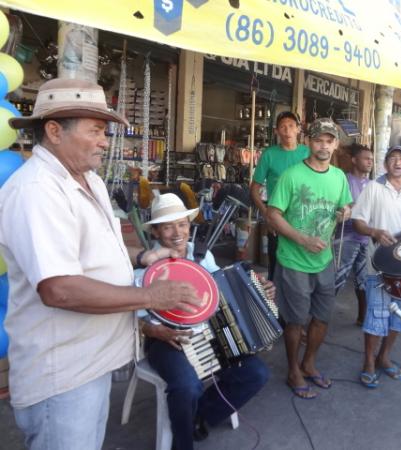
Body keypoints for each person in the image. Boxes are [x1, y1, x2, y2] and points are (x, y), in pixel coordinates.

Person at [0, 79, 202, 450]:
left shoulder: (86, 179)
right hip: (62, 376)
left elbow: (97, 251)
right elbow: (58, 289)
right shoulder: (37, 191)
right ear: (54, 131)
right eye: (95, 131)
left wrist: (144, 257)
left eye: (105, 132)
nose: (105, 141)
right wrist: (150, 296)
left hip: (90, 366)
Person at [135, 193, 271, 450]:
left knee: (256, 373)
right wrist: (156, 331)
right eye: (168, 226)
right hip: (164, 339)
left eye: (183, 223)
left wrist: (258, 289)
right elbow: (133, 320)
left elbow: (221, 292)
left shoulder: (201, 255)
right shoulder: (144, 267)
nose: (178, 232)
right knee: (187, 386)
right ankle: (182, 442)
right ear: (155, 232)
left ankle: (200, 418)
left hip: (209, 333)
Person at [267, 118, 352, 399]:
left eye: (329, 141)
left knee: (323, 318)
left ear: (336, 145)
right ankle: (293, 370)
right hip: (293, 260)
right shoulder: (292, 175)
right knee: (295, 321)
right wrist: (302, 239)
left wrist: (346, 212)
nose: (323, 146)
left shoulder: (339, 177)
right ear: (308, 143)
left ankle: (309, 363)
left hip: (324, 260)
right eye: (318, 140)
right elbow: (273, 214)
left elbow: (345, 204)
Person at [352, 145, 401, 389]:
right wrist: (374, 231)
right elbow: (358, 221)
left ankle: (384, 357)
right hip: (379, 266)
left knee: (400, 317)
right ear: (386, 165)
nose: (397, 162)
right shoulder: (374, 188)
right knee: (376, 316)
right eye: (392, 158)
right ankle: (368, 362)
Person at [250, 111, 309, 280]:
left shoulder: (308, 153)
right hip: (278, 218)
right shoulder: (269, 154)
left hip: (304, 218)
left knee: (302, 269)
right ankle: (274, 305)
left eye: (291, 126)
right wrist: (267, 215)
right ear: (276, 131)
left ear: (298, 129)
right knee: (276, 270)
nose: (287, 130)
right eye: (283, 127)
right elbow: (254, 190)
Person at [334, 143, 373, 326]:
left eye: (371, 159)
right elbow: (339, 207)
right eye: (366, 158)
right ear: (354, 160)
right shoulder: (344, 180)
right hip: (347, 237)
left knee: (364, 281)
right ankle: (316, 319)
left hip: (367, 239)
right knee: (336, 280)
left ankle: (362, 318)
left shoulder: (373, 185)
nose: (370, 162)